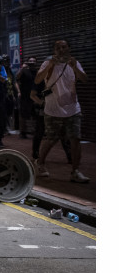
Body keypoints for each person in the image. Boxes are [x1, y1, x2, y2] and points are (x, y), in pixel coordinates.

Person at [33, 40, 89, 183]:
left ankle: (75, 171)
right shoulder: (48, 63)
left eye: (64, 47)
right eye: (58, 47)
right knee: (51, 139)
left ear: (69, 48)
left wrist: (75, 67)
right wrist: (50, 65)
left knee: (75, 139)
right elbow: (38, 80)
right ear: (54, 50)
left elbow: (85, 79)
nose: (61, 50)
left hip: (73, 108)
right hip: (53, 109)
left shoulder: (74, 63)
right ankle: (40, 163)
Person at [16, 57, 38, 138]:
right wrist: (22, 68)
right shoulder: (24, 71)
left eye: (33, 61)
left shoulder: (38, 72)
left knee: (35, 115)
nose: (32, 63)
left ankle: (34, 131)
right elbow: (17, 78)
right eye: (30, 61)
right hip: (25, 96)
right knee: (23, 115)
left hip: (35, 96)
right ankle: (23, 132)